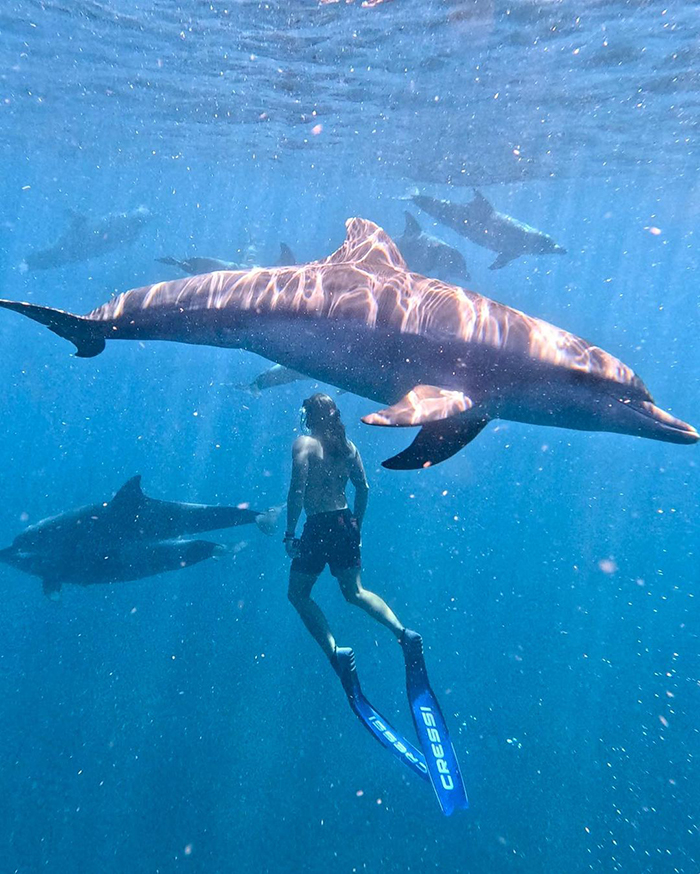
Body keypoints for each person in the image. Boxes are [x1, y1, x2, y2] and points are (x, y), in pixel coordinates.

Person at [285, 393, 409, 666]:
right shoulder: (348, 447)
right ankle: (402, 632)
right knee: (355, 592)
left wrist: (290, 533)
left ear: (308, 417)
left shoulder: (304, 444)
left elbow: (297, 490)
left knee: (297, 593)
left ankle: (334, 649)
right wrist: (357, 526)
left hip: (318, 525)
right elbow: (363, 488)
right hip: (344, 523)